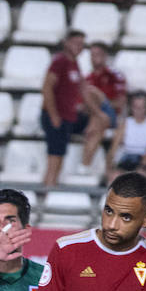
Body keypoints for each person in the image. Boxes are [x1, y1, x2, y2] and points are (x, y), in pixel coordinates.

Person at [41, 29, 85, 187]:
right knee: (54, 154)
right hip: (57, 115)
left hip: (67, 115)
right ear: (66, 43)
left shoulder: (75, 64)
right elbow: (47, 88)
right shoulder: (59, 62)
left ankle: (52, 184)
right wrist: (53, 115)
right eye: (76, 43)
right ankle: (48, 186)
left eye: (81, 44)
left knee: (60, 153)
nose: (79, 47)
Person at [79, 41, 127, 170]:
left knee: (91, 91)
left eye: (98, 54)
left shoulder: (114, 76)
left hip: (110, 115)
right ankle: (85, 166)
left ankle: (83, 166)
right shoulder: (87, 77)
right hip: (96, 119)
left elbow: (120, 102)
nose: (94, 58)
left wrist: (98, 103)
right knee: (97, 124)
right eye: (92, 55)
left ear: (105, 56)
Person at [107, 91, 146, 181]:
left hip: (143, 157)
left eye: (141, 107)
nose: (138, 110)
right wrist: (110, 165)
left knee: (140, 176)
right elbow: (114, 147)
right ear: (131, 108)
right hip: (127, 157)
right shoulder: (125, 124)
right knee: (114, 177)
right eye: (136, 107)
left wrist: (143, 164)